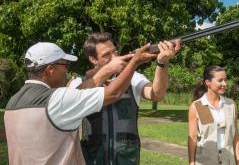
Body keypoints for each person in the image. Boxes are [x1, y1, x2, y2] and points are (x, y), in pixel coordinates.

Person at [4, 41, 155, 164]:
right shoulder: (56, 99)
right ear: (50, 69)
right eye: (65, 65)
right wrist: (134, 62)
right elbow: (113, 93)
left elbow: (80, 91)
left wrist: (105, 71)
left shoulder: (12, 103)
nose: (66, 71)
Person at [70, 32, 181, 165]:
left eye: (115, 51)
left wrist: (162, 62)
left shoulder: (133, 78)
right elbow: (72, 100)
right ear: (93, 59)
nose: (115, 57)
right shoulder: (78, 82)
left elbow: (157, 94)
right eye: (107, 55)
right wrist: (108, 71)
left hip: (127, 159)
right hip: (92, 159)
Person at [188, 65, 239, 165]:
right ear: (208, 82)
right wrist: (192, 162)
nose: (224, 84)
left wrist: (238, 160)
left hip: (228, 161)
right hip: (205, 161)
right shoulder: (199, 106)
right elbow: (193, 137)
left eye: (225, 80)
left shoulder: (231, 105)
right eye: (220, 80)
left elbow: (235, 135)